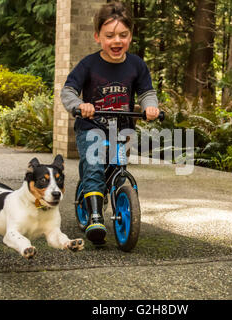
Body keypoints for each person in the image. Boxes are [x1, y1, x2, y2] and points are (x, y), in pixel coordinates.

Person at [61, 1, 159, 246]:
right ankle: (95, 216)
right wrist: (80, 105)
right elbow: (68, 92)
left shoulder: (137, 65)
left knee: (117, 166)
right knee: (94, 166)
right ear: (97, 37)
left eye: (123, 35)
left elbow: (147, 92)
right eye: (110, 35)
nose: (117, 41)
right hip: (91, 127)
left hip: (121, 130)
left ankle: (117, 198)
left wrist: (150, 106)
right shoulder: (89, 64)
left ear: (131, 36)